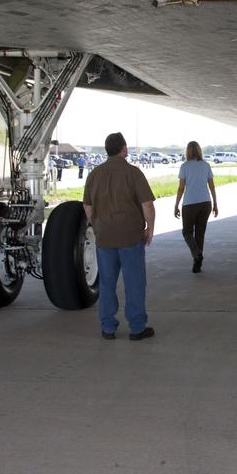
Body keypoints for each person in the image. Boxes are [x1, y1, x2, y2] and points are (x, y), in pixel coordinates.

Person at [82, 132, 156, 342]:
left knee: (107, 283)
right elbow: (148, 206)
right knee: (134, 283)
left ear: (107, 150)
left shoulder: (94, 174)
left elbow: (87, 206)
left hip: (104, 237)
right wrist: (150, 229)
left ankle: (108, 327)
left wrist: (96, 225)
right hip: (130, 236)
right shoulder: (133, 173)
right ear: (124, 148)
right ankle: (137, 328)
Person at [174, 140, 218, 273]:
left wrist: (176, 205)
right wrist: (215, 203)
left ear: (188, 151)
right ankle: (197, 264)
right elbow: (212, 186)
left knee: (187, 232)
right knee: (200, 234)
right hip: (205, 203)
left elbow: (181, 188)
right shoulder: (206, 165)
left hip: (189, 204)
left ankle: (196, 254)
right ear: (199, 150)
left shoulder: (184, 166)